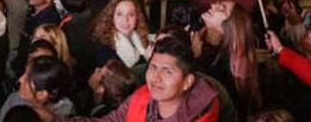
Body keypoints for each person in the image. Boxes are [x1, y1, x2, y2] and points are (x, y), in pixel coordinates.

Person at [64, 36, 220, 122]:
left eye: (167, 71)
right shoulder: (143, 96)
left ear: (187, 82)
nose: (156, 77)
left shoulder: (200, 115)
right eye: (152, 67)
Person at [90, 0, 151, 77]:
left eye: (131, 14)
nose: (125, 19)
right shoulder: (105, 48)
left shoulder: (142, 39)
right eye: (119, 14)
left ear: (137, 18)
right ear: (112, 17)